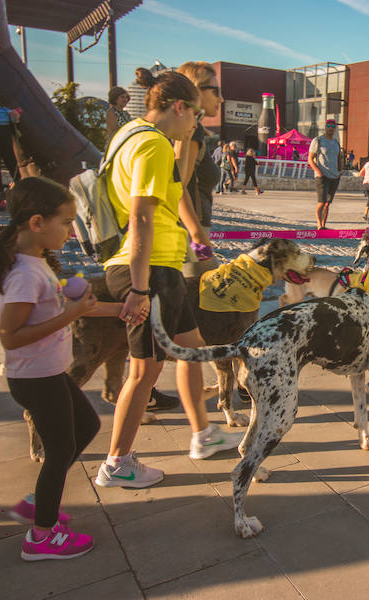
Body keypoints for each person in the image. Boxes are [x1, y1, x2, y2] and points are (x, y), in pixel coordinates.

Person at [95, 69, 243, 490]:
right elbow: (141, 216)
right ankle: (117, 462)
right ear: (178, 107)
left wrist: (194, 234)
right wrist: (140, 289)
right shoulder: (154, 145)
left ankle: (203, 434)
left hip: (163, 266)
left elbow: (165, 201)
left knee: (193, 349)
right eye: (195, 113)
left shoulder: (129, 136)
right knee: (144, 372)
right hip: (149, 270)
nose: (197, 122)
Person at [0, 177, 120, 560]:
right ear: (37, 222)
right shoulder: (24, 274)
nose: (73, 231)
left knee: (86, 427)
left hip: (48, 374)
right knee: (60, 449)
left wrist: (118, 309)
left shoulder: (35, 263)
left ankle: (37, 501)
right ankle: (41, 536)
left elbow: (71, 308)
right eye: (67, 221)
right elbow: (11, 336)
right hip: (34, 378)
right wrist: (69, 315)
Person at [174, 61, 224, 278]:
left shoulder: (191, 129)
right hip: (188, 230)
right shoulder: (190, 130)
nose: (221, 99)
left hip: (188, 229)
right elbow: (178, 184)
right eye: (216, 91)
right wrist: (197, 235)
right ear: (195, 91)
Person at [308, 118, 343, 229]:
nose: (331, 128)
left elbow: (339, 158)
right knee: (321, 202)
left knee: (327, 203)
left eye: (333, 126)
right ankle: (319, 226)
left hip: (334, 176)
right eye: (329, 125)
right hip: (322, 176)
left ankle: (323, 225)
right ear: (325, 127)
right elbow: (310, 158)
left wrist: (340, 171)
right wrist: (318, 171)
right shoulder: (318, 140)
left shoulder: (336, 142)